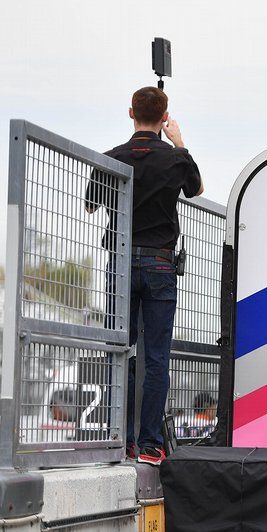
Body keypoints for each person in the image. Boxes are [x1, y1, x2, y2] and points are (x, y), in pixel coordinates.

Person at [85, 86, 203, 465]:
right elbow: (197, 191)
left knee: (119, 350)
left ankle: (117, 436)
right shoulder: (175, 159)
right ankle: (151, 444)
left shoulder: (112, 158)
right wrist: (179, 142)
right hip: (159, 263)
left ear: (130, 112)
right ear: (164, 117)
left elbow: (90, 205)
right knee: (156, 357)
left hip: (120, 261)